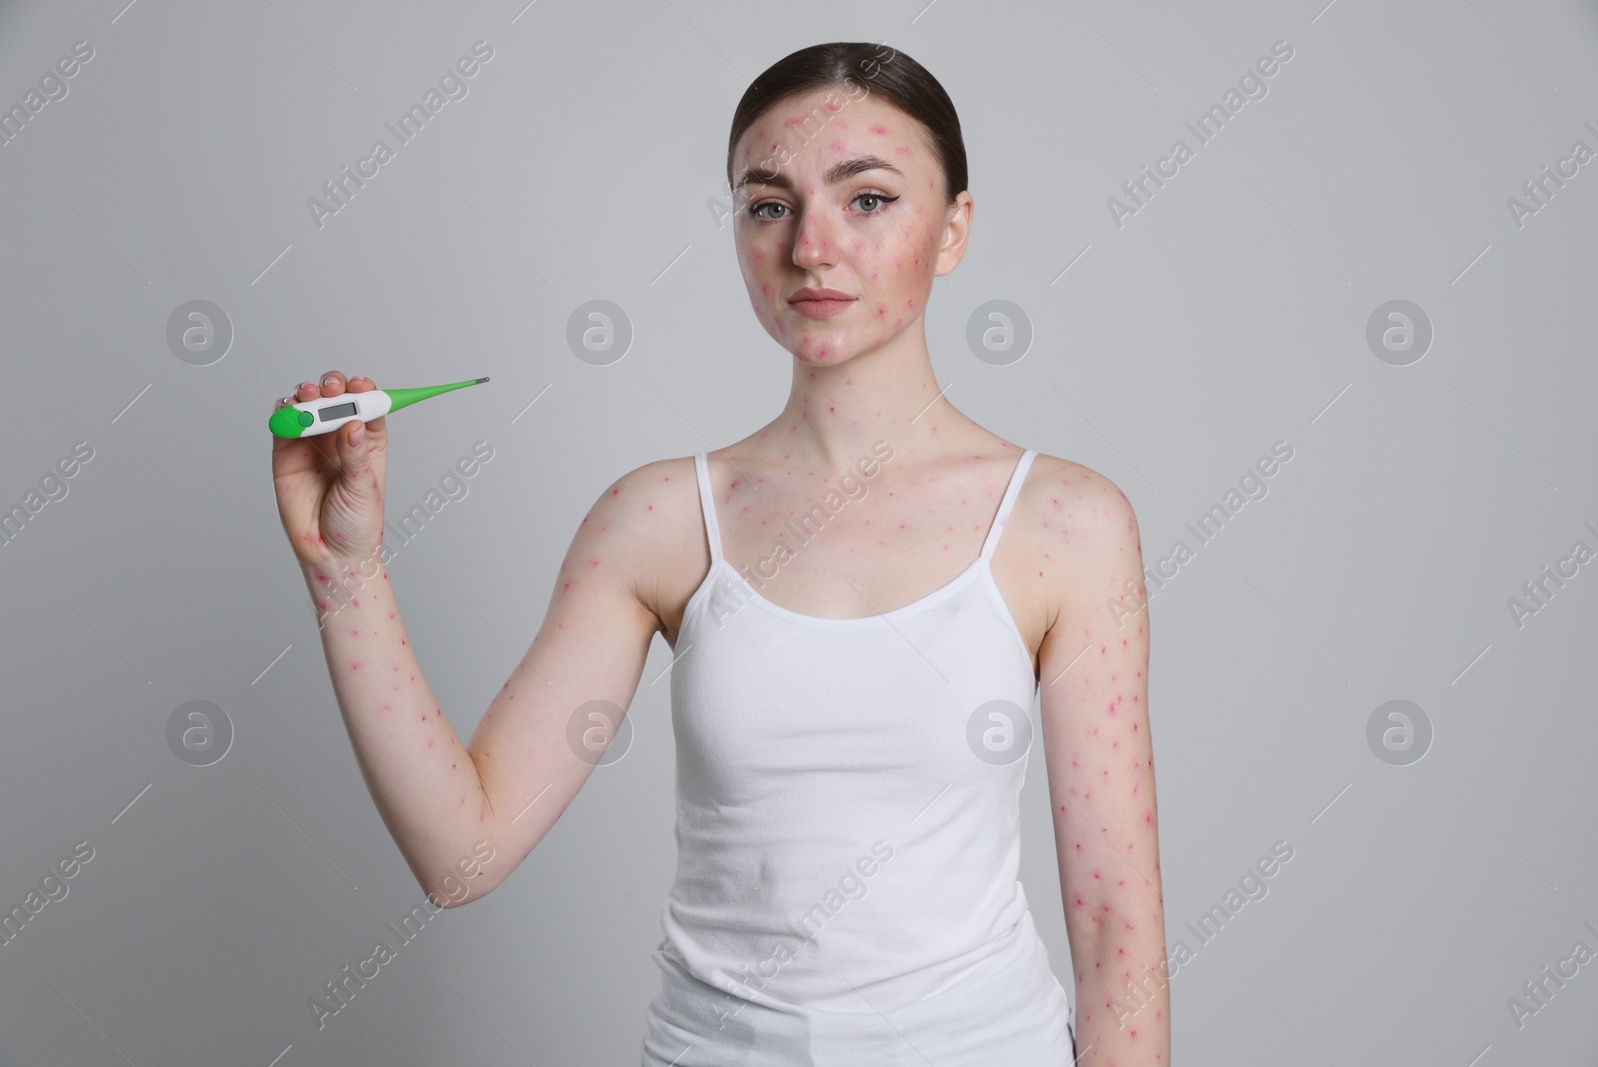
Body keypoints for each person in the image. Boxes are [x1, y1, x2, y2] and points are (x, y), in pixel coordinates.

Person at [270, 40, 1167, 1067]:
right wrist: (346, 574)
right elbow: (461, 854)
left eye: (867, 199)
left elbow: (1115, 930)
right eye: (768, 204)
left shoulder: (1066, 521)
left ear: (954, 227)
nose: (812, 248)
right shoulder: (656, 518)